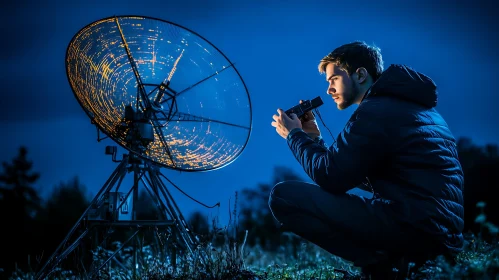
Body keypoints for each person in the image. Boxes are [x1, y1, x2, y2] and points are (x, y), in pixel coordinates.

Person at [269, 41, 464, 279]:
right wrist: (314, 139)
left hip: (413, 228)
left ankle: (383, 267)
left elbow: (330, 176)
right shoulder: (418, 109)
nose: (329, 89)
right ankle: (395, 263)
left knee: (283, 197)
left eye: (334, 80)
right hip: (441, 236)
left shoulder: (375, 111)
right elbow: (355, 170)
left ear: (360, 74)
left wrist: (294, 135)